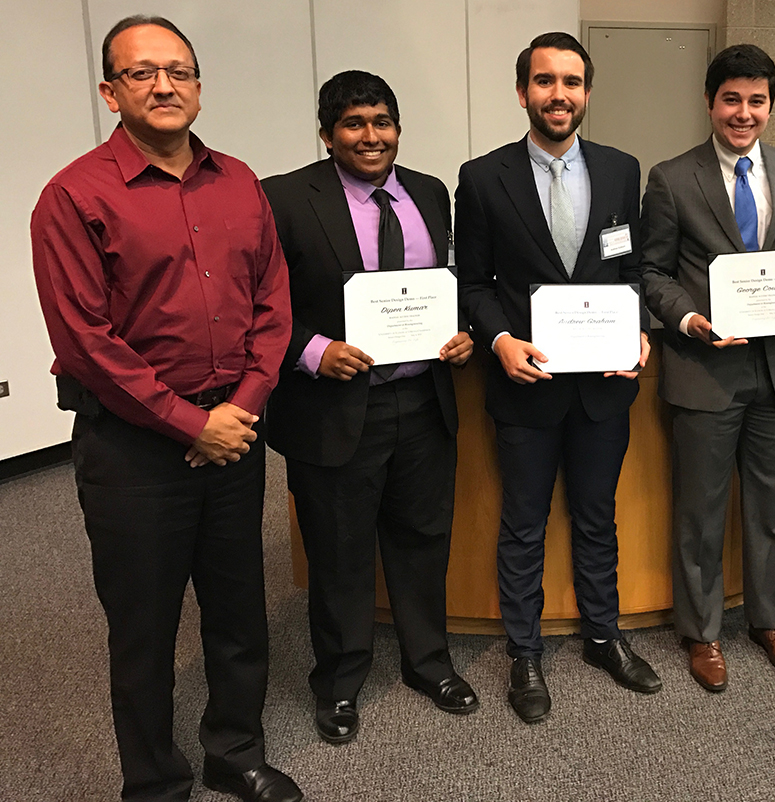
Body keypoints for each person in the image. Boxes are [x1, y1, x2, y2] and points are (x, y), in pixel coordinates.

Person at [29, 16, 302, 802]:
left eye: (178, 71)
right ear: (111, 91)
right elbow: (87, 341)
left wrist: (241, 410)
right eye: (143, 73)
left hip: (234, 433)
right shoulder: (73, 196)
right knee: (144, 631)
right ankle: (153, 782)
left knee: (238, 611)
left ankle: (234, 751)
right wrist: (191, 424)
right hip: (133, 450)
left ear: (199, 87)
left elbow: (272, 308)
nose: (164, 85)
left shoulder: (241, 182)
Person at [261, 70, 478, 744]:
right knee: (339, 552)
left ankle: (428, 662)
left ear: (397, 128)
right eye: (354, 123)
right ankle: (340, 681)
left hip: (422, 400)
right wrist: (313, 350)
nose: (371, 136)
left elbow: (447, 287)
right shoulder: (286, 199)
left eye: (382, 121)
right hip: (333, 407)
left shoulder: (430, 193)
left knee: (421, 541)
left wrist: (462, 332)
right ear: (327, 134)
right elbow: (258, 308)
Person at [456, 32, 659, 724]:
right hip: (527, 383)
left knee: (597, 516)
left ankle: (603, 635)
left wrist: (635, 330)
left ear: (587, 93)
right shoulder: (484, 178)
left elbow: (630, 270)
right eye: (545, 82)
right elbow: (474, 284)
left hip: (603, 384)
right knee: (523, 522)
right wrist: (501, 338)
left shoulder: (622, 169)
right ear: (523, 93)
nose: (559, 95)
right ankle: (524, 652)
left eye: (571, 82)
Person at [641, 44, 775, 691]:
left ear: (770, 106)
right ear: (709, 101)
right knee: (700, 509)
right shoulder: (671, 178)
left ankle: (768, 621)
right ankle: (701, 633)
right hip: (705, 370)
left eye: (756, 101)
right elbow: (652, 273)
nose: (743, 113)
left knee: (773, 508)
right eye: (731, 99)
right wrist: (689, 319)